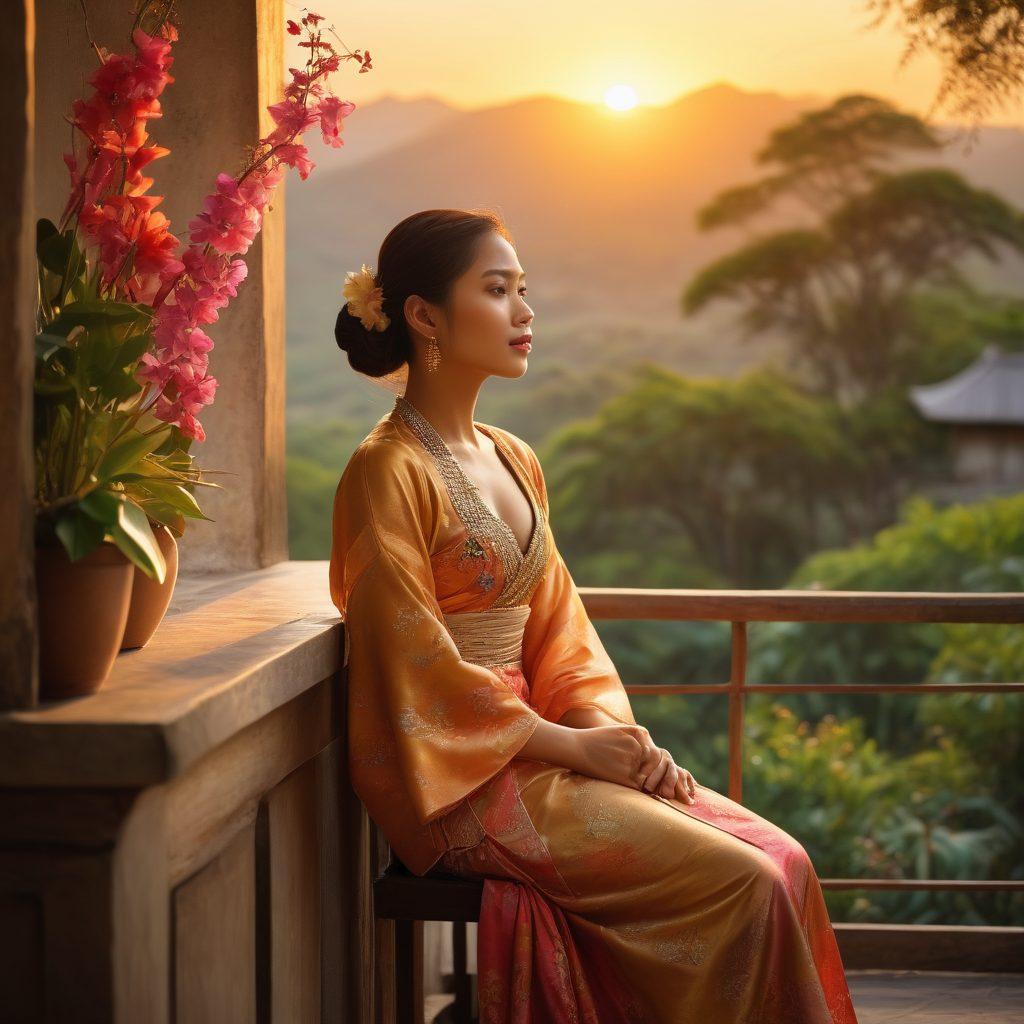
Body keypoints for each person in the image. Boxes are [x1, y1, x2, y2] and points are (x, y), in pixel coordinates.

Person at [328, 208, 859, 1023]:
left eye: (524, 290)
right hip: (459, 781)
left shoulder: (514, 457)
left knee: (785, 859)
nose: (525, 313)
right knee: (743, 883)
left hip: (545, 748)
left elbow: (560, 631)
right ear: (424, 315)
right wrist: (574, 747)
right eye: (498, 291)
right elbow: (414, 665)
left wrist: (613, 744)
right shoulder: (385, 471)